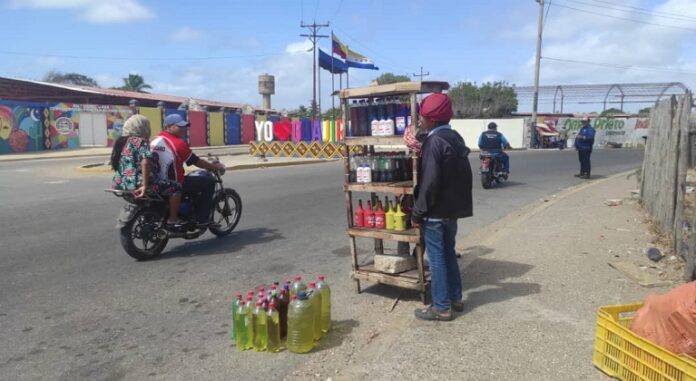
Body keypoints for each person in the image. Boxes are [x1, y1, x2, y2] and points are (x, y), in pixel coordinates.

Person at [411, 93, 473, 321]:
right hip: (452, 211)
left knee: (436, 259)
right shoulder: (454, 138)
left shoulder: (434, 142)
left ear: (433, 120)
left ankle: (441, 307)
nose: (419, 121)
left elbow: (430, 183)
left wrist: (417, 212)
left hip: (436, 213)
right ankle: (456, 299)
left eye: (423, 117)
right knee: (448, 254)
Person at [150, 114, 224, 226]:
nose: (184, 129)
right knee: (209, 182)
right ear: (169, 127)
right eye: (180, 126)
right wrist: (214, 167)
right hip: (175, 183)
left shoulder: (155, 140)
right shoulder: (178, 143)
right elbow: (196, 161)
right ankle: (202, 219)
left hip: (159, 181)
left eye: (185, 126)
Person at [111, 114, 183, 226]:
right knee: (177, 187)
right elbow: (145, 162)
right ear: (142, 127)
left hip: (120, 184)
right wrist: (144, 185)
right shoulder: (140, 141)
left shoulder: (120, 142)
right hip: (139, 184)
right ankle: (173, 218)